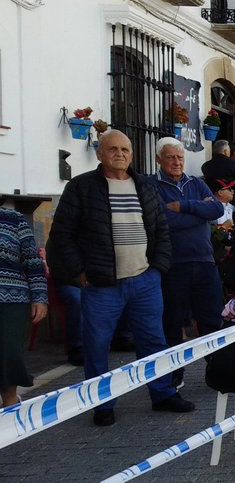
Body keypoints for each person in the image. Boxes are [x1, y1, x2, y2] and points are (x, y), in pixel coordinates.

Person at [47, 130, 194, 426]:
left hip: (144, 280)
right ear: (100, 154)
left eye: (125, 149)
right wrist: (79, 273)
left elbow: (161, 230)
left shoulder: (144, 186)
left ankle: (162, 393)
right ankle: (102, 403)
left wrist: (157, 269)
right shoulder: (81, 187)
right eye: (112, 149)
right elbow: (62, 235)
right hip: (101, 285)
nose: (120, 154)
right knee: (97, 345)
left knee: (153, 339)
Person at [154, 138, 226, 390]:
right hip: (173, 266)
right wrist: (198, 213)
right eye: (170, 157)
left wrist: (183, 206)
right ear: (158, 160)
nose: (176, 162)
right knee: (172, 324)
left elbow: (217, 209)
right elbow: (162, 221)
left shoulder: (196, 183)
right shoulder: (153, 186)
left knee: (212, 322)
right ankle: (174, 375)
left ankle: (218, 370)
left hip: (205, 263)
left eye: (180, 157)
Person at [0, 207, 48, 408]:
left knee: (9, 354)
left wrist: (39, 296)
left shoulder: (14, 219)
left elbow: (33, 261)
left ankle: (10, 403)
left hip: (11, 301)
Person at [201, 139, 235, 207]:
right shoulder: (233, 164)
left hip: (213, 200)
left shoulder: (205, 166)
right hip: (233, 201)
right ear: (225, 151)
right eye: (229, 151)